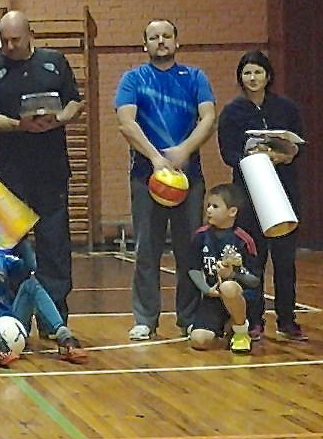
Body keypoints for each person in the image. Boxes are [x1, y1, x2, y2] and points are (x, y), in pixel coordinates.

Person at [0, 11, 84, 328]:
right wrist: (18, 125)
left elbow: (75, 102)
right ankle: (15, 321)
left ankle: (54, 319)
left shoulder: (54, 62)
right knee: (12, 249)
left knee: (54, 246)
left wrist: (59, 119)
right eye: (5, 40)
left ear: (30, 35)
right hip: (11, 174)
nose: (10, 46)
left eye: (16, 39)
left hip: (52, 171)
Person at [114, 19, 216, 341]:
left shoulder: (195, 77)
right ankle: (145, 319)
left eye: (167, 36)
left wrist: (184, 150)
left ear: (176, 42)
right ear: (145, 44)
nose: (161, 41)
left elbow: (209, 117)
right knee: (147, 249)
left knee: (190, 250)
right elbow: (126, 122)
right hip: (147, 177)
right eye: (154, 37)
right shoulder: (133, 79)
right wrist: (156, 159)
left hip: (189, 177)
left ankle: (189, 318)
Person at [217, 50, 306, 341]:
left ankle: (287, 320)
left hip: (283, 191)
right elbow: (228, 153)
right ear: (240, 78)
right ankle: (254, 320)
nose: (252, 78)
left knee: (284, 260)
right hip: (249, 192)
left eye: (258, 72)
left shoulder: (286, 108)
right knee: (253, 260)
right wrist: (253, 158)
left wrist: (284, 154)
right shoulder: (232, 112)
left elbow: (299, 145)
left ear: (268, 76)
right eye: (247, 73)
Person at [0, 238, 87, 363]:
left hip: (14, 318)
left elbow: (32, 266)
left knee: (31, 285)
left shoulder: (3, 259)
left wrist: (21, 241)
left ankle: (65, 338)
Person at [186, 184, 261, 354]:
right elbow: (193, 268)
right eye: (208, 206)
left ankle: (241, 331)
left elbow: (255, 280)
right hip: (214, 300)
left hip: (241, 299)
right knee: (199, 340)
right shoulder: (201, 235)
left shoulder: (243, 239)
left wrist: (233, 274)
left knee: (228, 287)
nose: (209, 210)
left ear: (232, 211)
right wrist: (207, 289)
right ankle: (226, 334)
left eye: (215, 206)